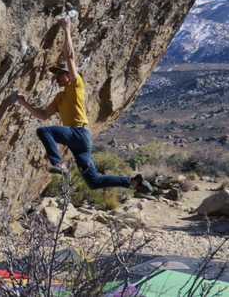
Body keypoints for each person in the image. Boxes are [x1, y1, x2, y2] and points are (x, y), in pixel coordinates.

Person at [16, 17, 154, 194]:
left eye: (59, 73)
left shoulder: (75, 85)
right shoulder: (60, 97)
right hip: (81, 142)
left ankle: (58, 163)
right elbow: (43, 115)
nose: (56, 77)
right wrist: (23, 102)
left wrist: (67, 30)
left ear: (68, 74)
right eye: (55, 75)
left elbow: (70, 56)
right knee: (94, 182)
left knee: (44, 131)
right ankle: (133, 182)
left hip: (79, 132)